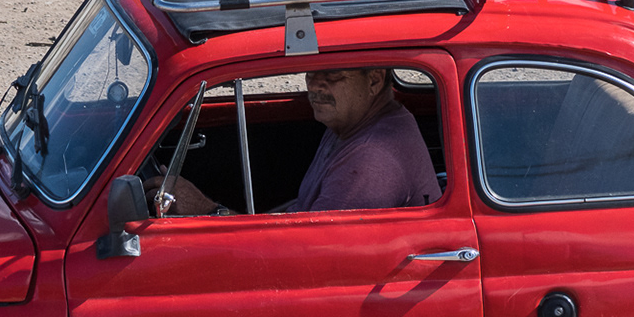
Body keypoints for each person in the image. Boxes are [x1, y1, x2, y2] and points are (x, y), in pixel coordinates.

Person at [157, 68, 440, 215]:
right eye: (312, 73)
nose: (315, 86)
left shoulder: (370, 160)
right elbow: (302, 212)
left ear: (375, 80)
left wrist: (206, 211)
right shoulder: (350, 121)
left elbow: (309, 253)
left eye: (331, 76)